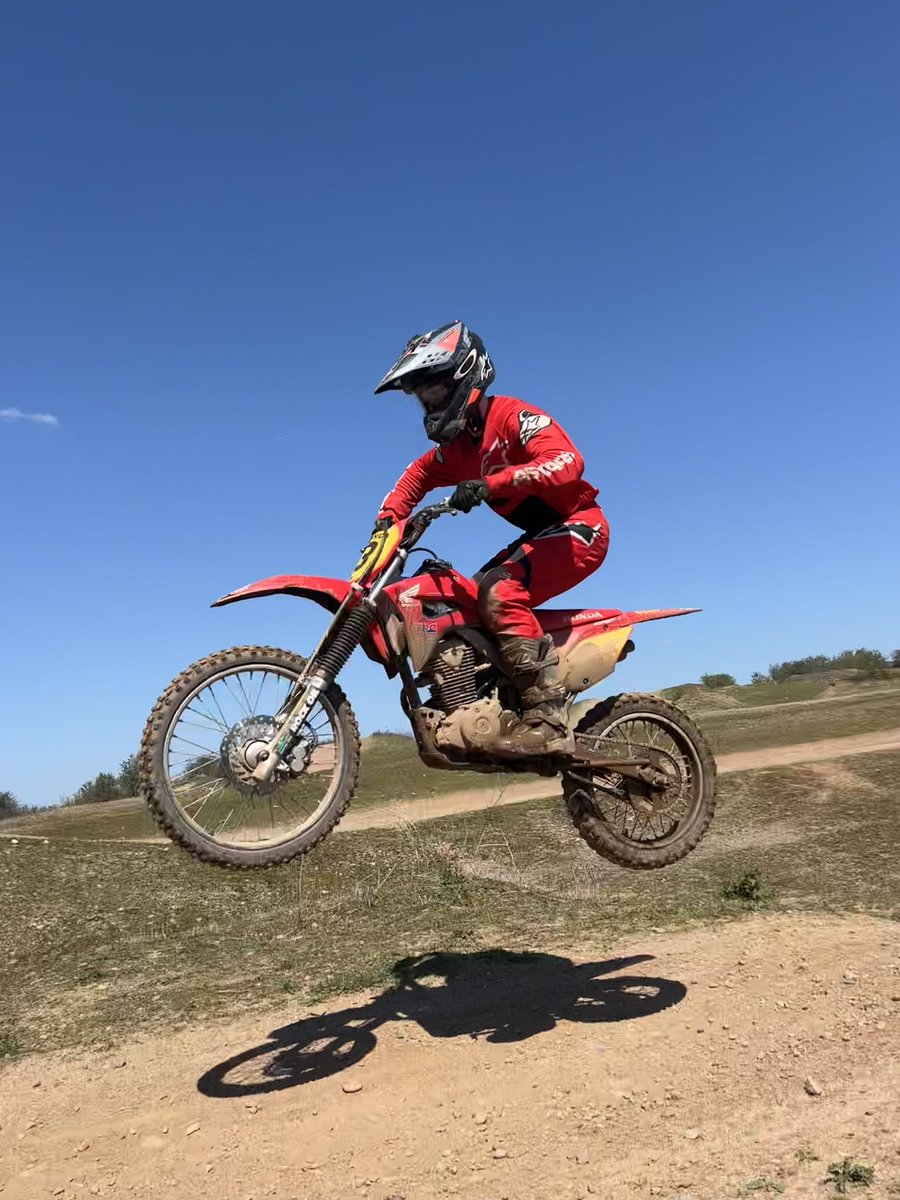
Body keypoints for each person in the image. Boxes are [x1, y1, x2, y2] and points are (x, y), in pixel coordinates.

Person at [374, 320, 609, 758]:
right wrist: (389, 521)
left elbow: (567, 461)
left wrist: (493, 483)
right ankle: (499, 710)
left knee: (499, 592)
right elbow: (415, 476)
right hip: (542, 534)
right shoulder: (457, 449)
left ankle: (550, 718)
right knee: (465, 600)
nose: (428, 404)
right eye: (422, 397)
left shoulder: (513, 416)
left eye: (434, 391)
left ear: (465, 375)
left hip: (581, 527)